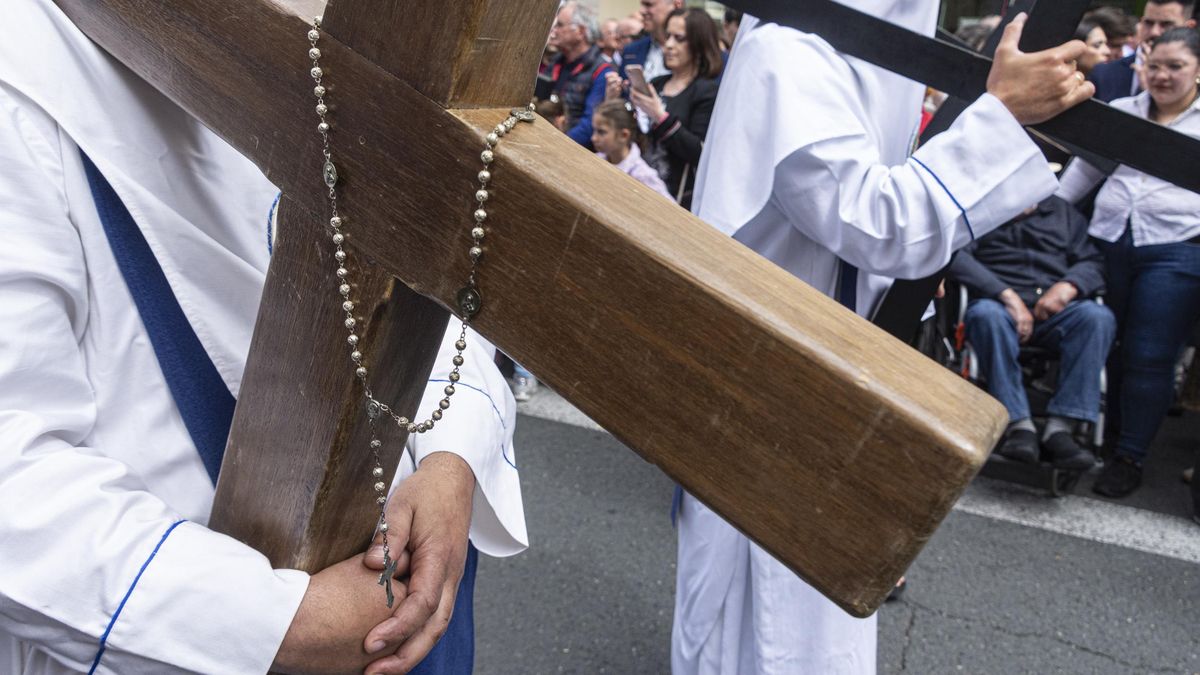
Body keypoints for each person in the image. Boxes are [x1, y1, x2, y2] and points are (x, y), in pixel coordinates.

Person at [0, 2, 527, 673]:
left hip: (399, 573)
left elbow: (423, 290)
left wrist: (453, 459)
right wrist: (282, 626)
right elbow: (14, 484)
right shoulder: (22, 77)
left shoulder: (262, 39)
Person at [679, 6, 1094, 673]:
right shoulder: (790, 48)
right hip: (779, 390)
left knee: (808, 618)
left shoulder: (852, 46)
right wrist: (1001, 114)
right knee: (767, 625)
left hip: (828, 372)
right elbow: (877, 218)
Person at [1059, 27, 1200, 499]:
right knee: (1109, 343)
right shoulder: (1122, 113)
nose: (1162, 76)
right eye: (1154, 65)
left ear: (1198, 69)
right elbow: (1079, 178)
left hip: (1176, 248)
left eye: (1175, 66)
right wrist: (1035, 213)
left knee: (1149, 353)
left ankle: (1130, 456)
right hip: (1106, 243)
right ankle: (1109, 438)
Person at [947, 197, 1114, 469]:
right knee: (985, 315)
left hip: (1054, 307)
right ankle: (1018, 423)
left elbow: (1093, 261)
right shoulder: (983, 208)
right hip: (1000, 303)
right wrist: (1007, 296)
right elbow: (957, 255)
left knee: (1097, 318)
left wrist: (1070, 285)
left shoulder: (1063, 213)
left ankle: (1061, 428)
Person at [607, 8, 722, 209]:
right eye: (668, 36)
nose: (668, 45)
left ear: (698, 44)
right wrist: (612, 102)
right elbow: (633, 138)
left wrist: (659, 116)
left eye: (679, 38)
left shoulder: (707, 91)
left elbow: (700, 152)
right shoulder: (657, 83)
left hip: (675, 201)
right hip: (636, 190)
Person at [1089, 0, 1196, 102]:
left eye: (1166, 24)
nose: (1154, 32)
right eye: (1148, 23)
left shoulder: (1194, 81)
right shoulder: (1103, 74)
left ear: (1189, 27)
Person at [545, 1, 615, 148]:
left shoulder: (602, 71)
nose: (554, 30)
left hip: (569, 150)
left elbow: (590, 125)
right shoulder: (557, 61)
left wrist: (554, 145)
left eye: (560, 25)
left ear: (580, 32)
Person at [591, 100, 673, 199]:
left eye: (601, 132)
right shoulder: (595, 160)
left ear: (623, 135)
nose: (594, 138)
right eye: (594, 130)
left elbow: (669, 208)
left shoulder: (643, 176)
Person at [620, 0, 684, 80]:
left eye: (648, 4)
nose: (641, 11)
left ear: (676, 5)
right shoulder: (631, 51)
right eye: (642, 5)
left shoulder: (694, 52)